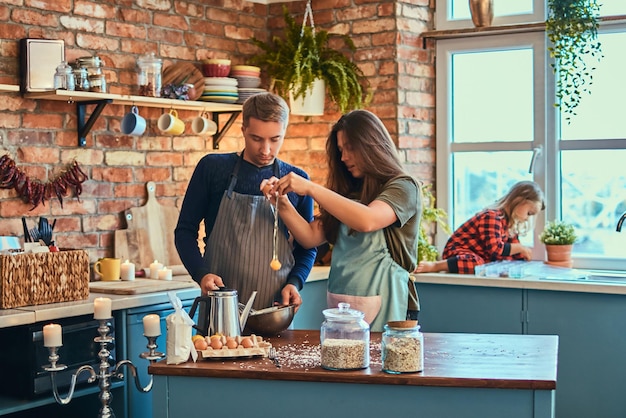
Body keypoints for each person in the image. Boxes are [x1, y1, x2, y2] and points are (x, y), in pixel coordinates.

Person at [261, 109, 422, 332]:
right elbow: (309, 237)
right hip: (342, 310)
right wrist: (281, 203)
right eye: (340, 150)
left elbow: (367, 220)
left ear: (372, 145)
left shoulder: (403, 187)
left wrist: (310, 188)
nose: (344, 157)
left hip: (390, 306)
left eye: (351, 148)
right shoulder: (348, 194)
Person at [174, 92, 316, 311]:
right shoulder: (212, 168)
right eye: (257, 138)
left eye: (275, 139)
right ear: (243, 130)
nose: (266, 150)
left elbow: (307, 247)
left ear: (284, 132)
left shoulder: (297, 181)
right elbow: (184, 230)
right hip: (219, 309)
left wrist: (295, 282)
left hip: (275, 310)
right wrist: (201, 274)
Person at [415, 180, 545, 275]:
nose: (528, 218)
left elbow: (511, 250)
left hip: (481, 257)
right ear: (519, 201)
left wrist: (522, 257)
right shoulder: (492, 217)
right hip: (459, 253)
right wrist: (520, 248)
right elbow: (496, 249)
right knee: (477, 264)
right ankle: (436, 266)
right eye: (529, 213)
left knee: (496, 264)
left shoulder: (509, 225)